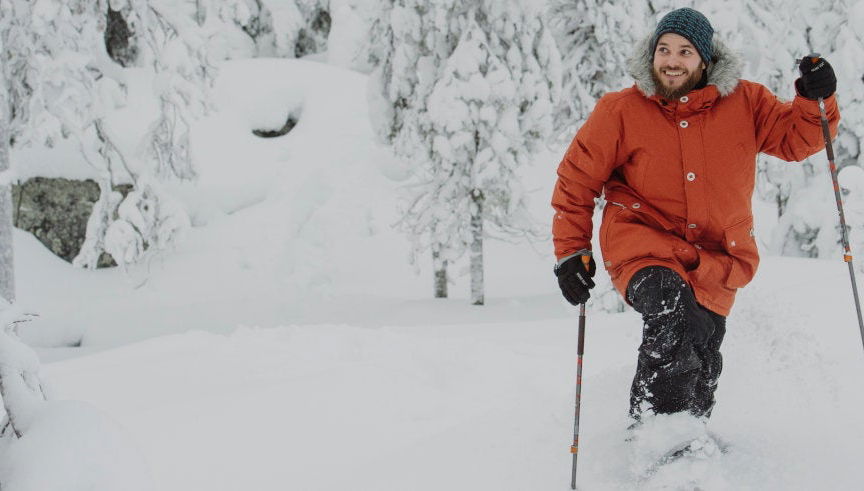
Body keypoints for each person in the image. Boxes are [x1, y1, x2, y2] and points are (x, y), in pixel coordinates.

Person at [551, 8, 839, 424]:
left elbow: (798, 139)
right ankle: (657, 441)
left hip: (719, 259)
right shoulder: (621, 111)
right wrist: (569, 252)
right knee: (671, 313)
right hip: (643, 245)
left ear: (705, 60)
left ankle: (687, 447)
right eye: (664, 49)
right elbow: (576, 182)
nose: (671, 60)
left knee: (701, 364)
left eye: (684, 51)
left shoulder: (746, 102)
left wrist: (818, 100)